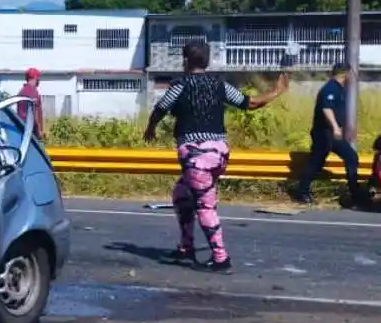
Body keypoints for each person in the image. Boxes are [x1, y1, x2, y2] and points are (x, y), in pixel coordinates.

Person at [142, 41, 288, 272]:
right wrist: (276, 91)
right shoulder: (219, 85)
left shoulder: (180, 86)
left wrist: (150, 129)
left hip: (196, 157)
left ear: (185, 61)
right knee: (182, 194)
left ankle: (221, 258)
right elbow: (249, 103)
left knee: (204, 206)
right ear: (207, 62)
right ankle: (186, 247)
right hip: (218, 153)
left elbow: (161, 108)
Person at [293, 63, 365, 206]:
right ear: (345, 74)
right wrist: (335, 128)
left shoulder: (339, 89)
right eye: (351, 74)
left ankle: (355, 194)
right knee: (316, 163)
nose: (352, 77)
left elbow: (337, 111)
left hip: (330, 134)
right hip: (324, 133)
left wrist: (344, 128)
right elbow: (327, 109)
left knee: (351, 157)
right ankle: (302, 192)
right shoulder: (330, 88)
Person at [16, 68, 45, 140]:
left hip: (23, 130)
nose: (39, 80)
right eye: (38, 78)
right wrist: (38, 131)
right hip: (31, 132)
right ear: (35, 78)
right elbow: (33, 113)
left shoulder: (22, 91)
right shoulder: (32, 92)